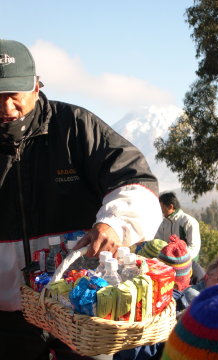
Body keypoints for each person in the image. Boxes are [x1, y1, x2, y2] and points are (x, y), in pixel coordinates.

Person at [0, 39, 162, 360]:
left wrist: (115, 224)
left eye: (13, 96)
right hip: (7, 313)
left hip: (81, 304)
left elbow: (133, 178)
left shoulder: (75, 126)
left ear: (36, 86)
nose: (6, 108)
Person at [155, 192, 201, 260]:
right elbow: (158, 243)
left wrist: (179, 260)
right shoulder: (163, 224)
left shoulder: (188, 222)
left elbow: (194, 247)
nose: (160, 211)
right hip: (168, 262)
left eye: (161, 208)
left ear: (171, 206)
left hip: (188, 263)